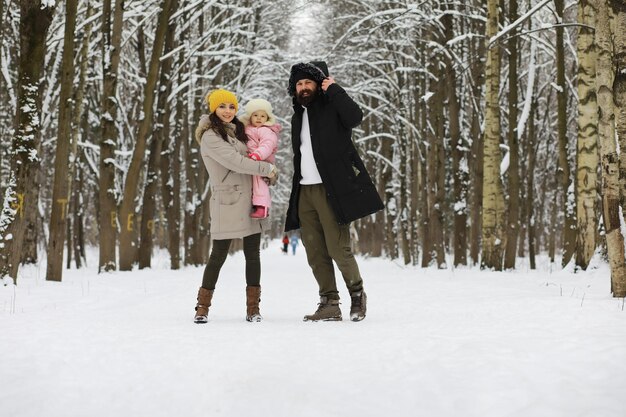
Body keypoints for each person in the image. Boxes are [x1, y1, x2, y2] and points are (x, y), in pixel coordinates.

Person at [284, 61, 384, 322]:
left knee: (339, 248)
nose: (304, 88)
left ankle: (357, 296)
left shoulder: (333, 108)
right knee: (315, 252)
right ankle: (329, 302)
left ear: (319, 84)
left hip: (332, 190)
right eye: (299, 84)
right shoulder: (297, 117)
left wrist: (335, 90)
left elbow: (355, 117)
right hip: (304, 191)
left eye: (308, 82)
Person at [193, 89, 278, 324]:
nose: (228, 111)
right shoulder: (210, 136)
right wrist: (266, 170)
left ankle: (253, 309)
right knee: (218, 254)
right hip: (227, 201)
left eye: (232, 107)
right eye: (222, 106)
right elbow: (237, 162)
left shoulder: (240, 131)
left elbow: (260, 154)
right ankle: (202, 307)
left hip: (251, 199)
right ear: (213, 108)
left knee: (253, 255)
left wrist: (271, 173)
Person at [239, 99, 280, 219]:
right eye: (255, 115)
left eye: (262, 116)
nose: (259, 118)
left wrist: (258, 155)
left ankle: (262, 207)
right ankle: (255, 205)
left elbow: (268, 145)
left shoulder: (267, 130)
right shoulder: (246, 128)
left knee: (260, 183)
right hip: (250, 160)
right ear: (250, 117)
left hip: (262, 160)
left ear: (267, 118)